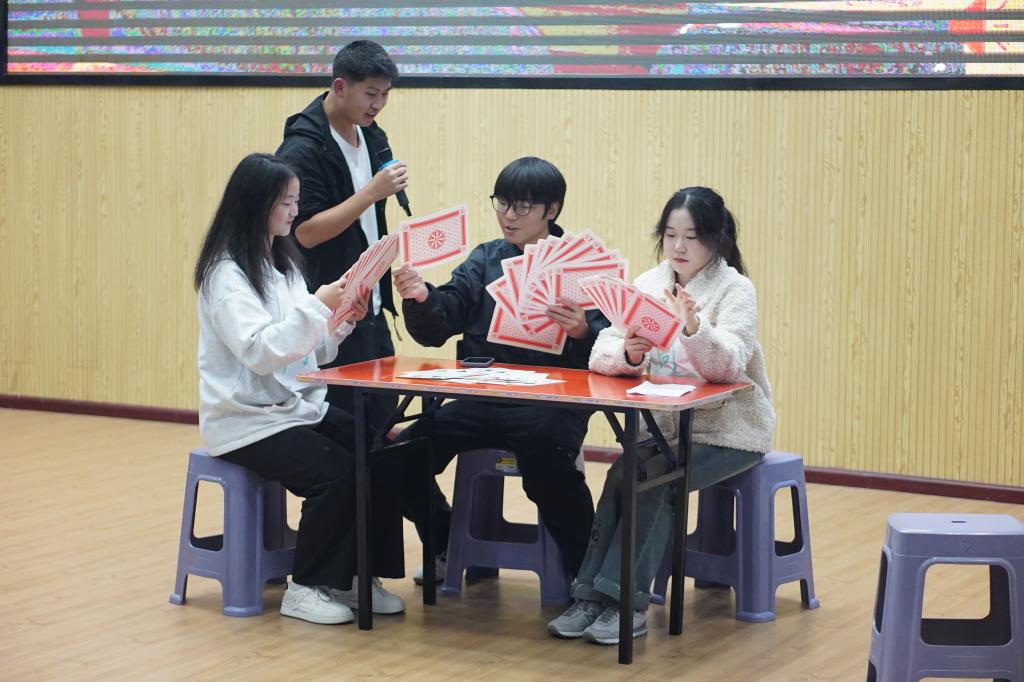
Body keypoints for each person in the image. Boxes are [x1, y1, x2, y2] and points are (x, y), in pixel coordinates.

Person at [547, 186, 776, 644]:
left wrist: (694, 327)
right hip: (667, 429)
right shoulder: (650, 284)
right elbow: (601, 351)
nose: (679, 246)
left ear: (717, 238)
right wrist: (629, 353)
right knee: (621, 475)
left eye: (692, 236)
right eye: (670, 235)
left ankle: (626, 604)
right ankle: (588, 596)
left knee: (659, 480)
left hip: (728, 431)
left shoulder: (735, 289)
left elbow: (727, 366)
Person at [194, 153, 406, 626]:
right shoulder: (226, 276)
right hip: (246, 419)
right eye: (286, 202)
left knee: (378, 450)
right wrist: (316, 306)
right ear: (256, 204)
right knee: (335, 473)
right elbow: (261, 352)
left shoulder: (281, 264)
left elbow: (309, 352)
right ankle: (307, 586)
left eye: (296, 200)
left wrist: (341, 320)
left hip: (293, 406)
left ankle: (356, 576)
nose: (295, 211)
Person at [391, 156, 610, 582]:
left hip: (551, 406)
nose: (509, 215)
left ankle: (585, 579)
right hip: (483, 399)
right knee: (398, 457)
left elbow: (610, 349)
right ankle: (446, 539)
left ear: (552, 210)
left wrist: (583, 331)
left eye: (523, 206)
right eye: (502, 202)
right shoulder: (485, 259)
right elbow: (441, 321)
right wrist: (422, 298)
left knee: (548, 464)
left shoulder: (580, 265)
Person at [275, 39, 407, 440]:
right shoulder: (304, 147)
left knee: (383, 425)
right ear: (339, 87)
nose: (378, 104)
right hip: (329, 308)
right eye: (371, 94)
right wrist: (371, 192)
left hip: (370, 305)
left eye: (385, 95)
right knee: (346, 433)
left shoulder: (371, 134)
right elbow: (303, 232)